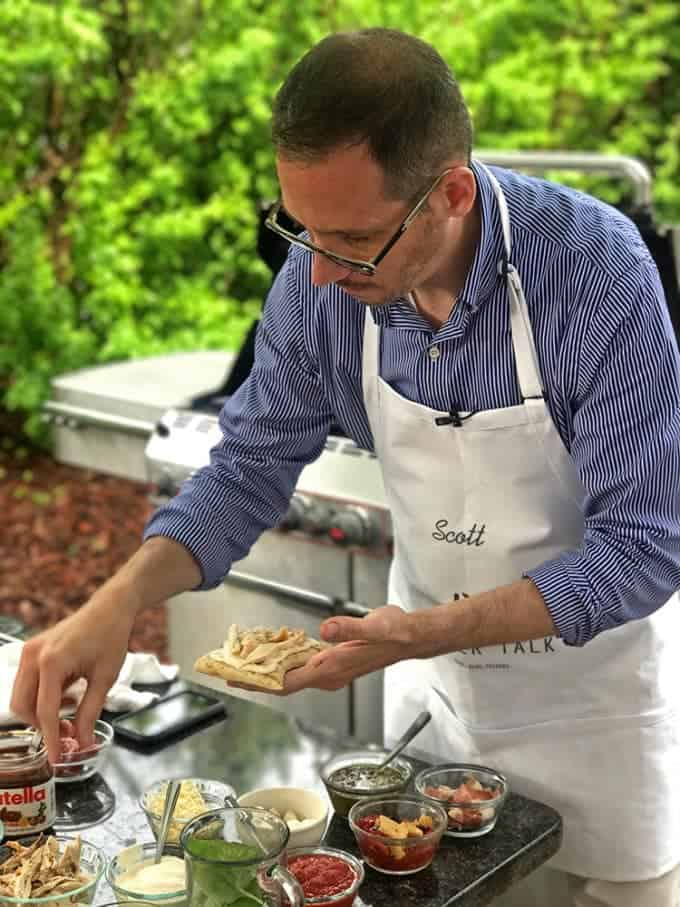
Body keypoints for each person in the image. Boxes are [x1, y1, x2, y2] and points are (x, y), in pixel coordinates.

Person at [11, 27, 680, 906]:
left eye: (353, 238)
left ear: (451, 193)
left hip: (596, 718)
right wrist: (121, 599)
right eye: (301, 228)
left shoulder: (595, 274)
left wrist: (424, 629)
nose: (318, 272)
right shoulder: (318, 278)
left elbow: (641, 549)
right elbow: (248, 466)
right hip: (435, 716)